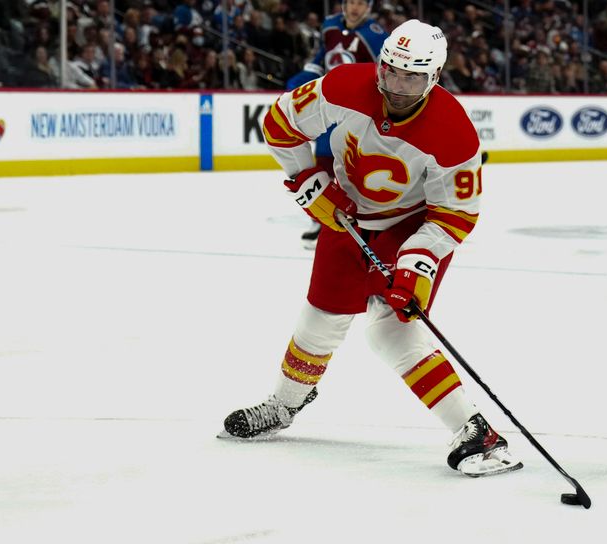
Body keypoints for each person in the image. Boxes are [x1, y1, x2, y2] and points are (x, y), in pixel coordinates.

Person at [221, 19, 522, 478]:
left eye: (412, 77)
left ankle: (476, 432)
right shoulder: (343, 85)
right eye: (390, 71)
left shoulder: (455, 132)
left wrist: (415, 266)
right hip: (347, 219)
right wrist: (310, 180)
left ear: (434, 77)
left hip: (412, 226)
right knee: (320, 318)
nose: (396, 87)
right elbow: (279, 123)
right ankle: (284, 405)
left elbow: (455, 214)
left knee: (390, 330)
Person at [285, 0, 388, 249]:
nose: (355, 7)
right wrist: (305, 76)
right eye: (351, 1)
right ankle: (321, 219)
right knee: (322, 160)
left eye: (361, 3)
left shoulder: (376, 37)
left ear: (369, 7)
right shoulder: (329, 26)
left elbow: (385, 71)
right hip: (328, 102)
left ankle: (367, 220)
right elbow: (323, 56)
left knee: (356, 164)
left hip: (358, 108)